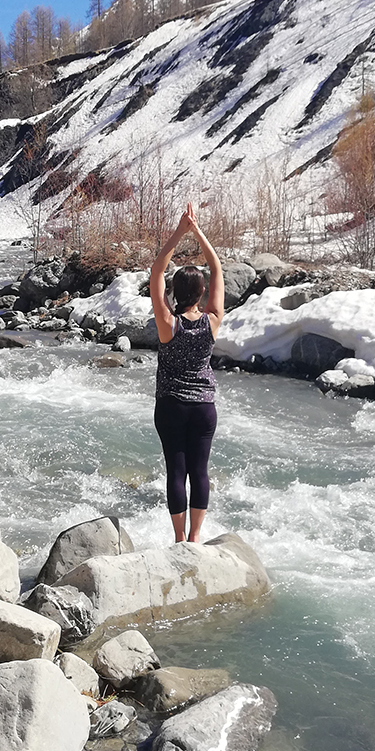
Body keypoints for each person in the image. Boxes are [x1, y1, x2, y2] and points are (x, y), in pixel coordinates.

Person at [150, 203, 225, 543]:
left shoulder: (168, 325)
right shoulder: (212, 322)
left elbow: (155, 274)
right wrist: (199, 233)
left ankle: (179, 539)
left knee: (176, 472)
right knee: (200, 471)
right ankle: (196, 538)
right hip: (204, 408)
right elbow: (217, 268)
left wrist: (180, 232)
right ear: (202, 295)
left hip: (171, 407)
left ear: (175, 294)